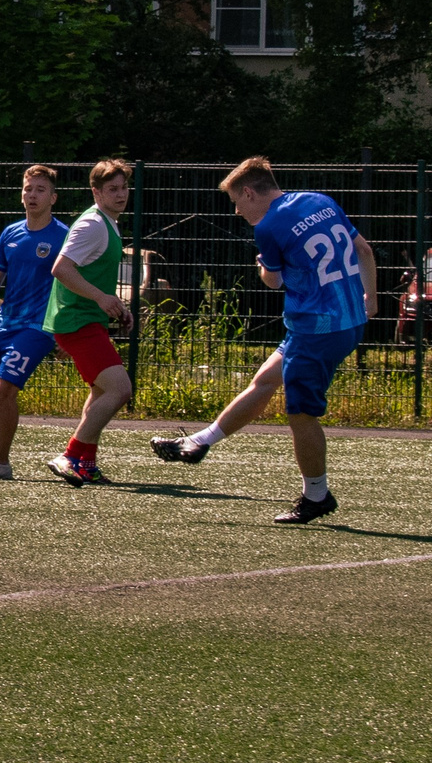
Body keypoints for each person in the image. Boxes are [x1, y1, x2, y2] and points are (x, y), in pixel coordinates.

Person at [151, 157, 376, 523]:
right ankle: (198, 443)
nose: (238, 212)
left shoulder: (269, 226)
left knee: (300, 413)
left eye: (237, 203)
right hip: (347, 320)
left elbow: (272, 281)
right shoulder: (320, 199)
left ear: (250, 192)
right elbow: (364, 250)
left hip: (316, 329)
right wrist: (372, 297)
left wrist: (263, 264)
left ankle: (316, 495)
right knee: (266, 380)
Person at [0, 164, 69, 480]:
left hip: (38, 326)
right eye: (27, 189)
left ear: (53, 198)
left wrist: (65, 330)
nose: (32, 195)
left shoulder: (63, 237)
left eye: (40, 190)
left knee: (4, 389)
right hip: (3, 320)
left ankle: (1, 463)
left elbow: (71, 285)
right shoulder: (12, 232)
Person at [43, 159, 137, 486]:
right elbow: (61, 268)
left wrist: (114, 306)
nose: (121, 194)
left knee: (101, 392)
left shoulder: (107, 222)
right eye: (112, 189)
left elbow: (88, 273)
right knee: (120, 388)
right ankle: (70, 456)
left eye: (124, 187)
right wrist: (100, 298)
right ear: (95, 191)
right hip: (75, 320)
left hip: (86, 320)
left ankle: (86, 462)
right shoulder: (93, 224)